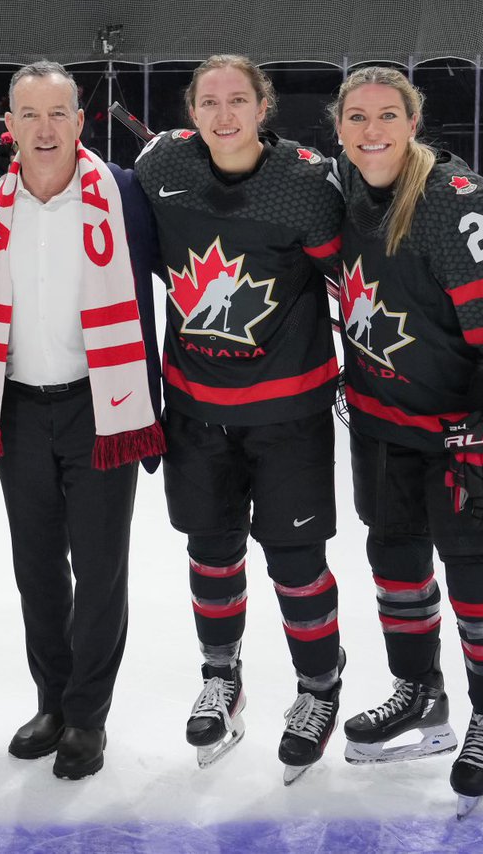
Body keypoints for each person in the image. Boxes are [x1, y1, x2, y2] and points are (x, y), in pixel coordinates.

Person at [329, 67, 483, 816]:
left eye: (387, 115)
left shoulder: (454, 206)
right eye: (356, 117)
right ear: (339, 127)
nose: (372, 130)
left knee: (477, 581)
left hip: (464, 436)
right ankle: (419, 693)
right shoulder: (346, 190)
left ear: (413, 122)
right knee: (396, 568)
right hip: (385, 429)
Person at [0, 60, 165, 780]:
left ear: (81, 121)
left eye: (58, 114)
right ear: (8, 126)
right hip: (15, 405)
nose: (44, 129)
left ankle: (87, 718)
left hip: (103, 405)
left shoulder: (127, 196)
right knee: (37, 569)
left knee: (100, 570)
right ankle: (52, 700)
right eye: (29, 115)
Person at [133, 55, 346, 782]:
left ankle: (319, 687)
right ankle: (221, 674)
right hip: (195, 411)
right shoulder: (163, 167)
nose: (224, 115)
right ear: (191, 111)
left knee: (295, 562)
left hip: (288, 415)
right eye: (209, 102)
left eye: (239, 100)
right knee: (211, 551)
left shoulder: (306, 183)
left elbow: (356, 276)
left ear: (265, 106)